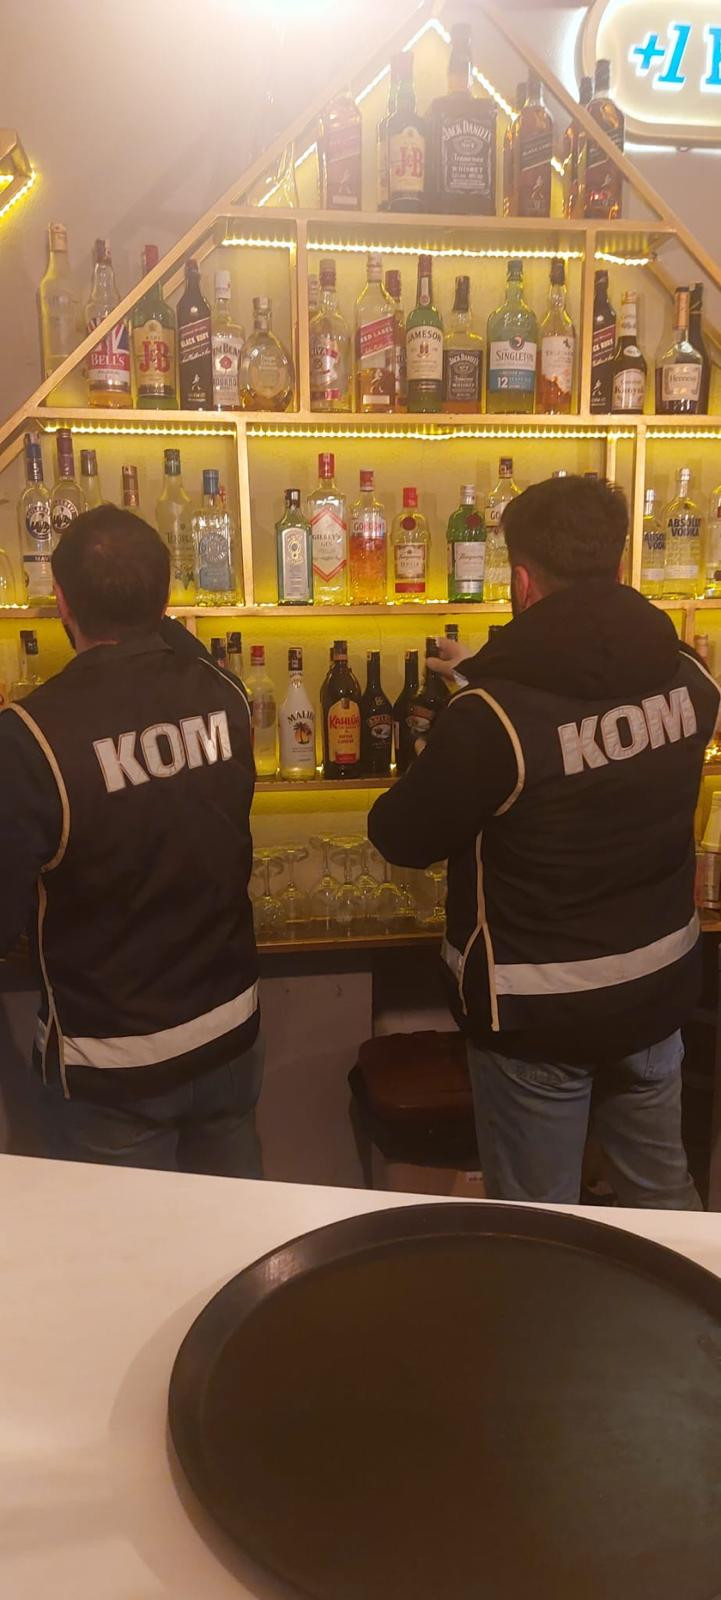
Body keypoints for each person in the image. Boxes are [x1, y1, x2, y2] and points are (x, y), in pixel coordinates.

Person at [369, 475, 720, 1209]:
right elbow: (591, 714)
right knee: (663, 1197)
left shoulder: (490, 715)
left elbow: (400, 835)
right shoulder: (691, 677)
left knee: (538, 1218)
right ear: (618, 564)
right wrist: (484, 678)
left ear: (522, 583)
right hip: (656, 986)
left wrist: (462, 718)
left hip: (537, 1007)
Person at [0, 506, 262, 1176]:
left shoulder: (30, 736)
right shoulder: (223, 692)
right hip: (228, 1029)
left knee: (130, 1242)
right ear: (166, 597)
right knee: (234, 1230)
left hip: (112, 1062)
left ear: (60, 601)